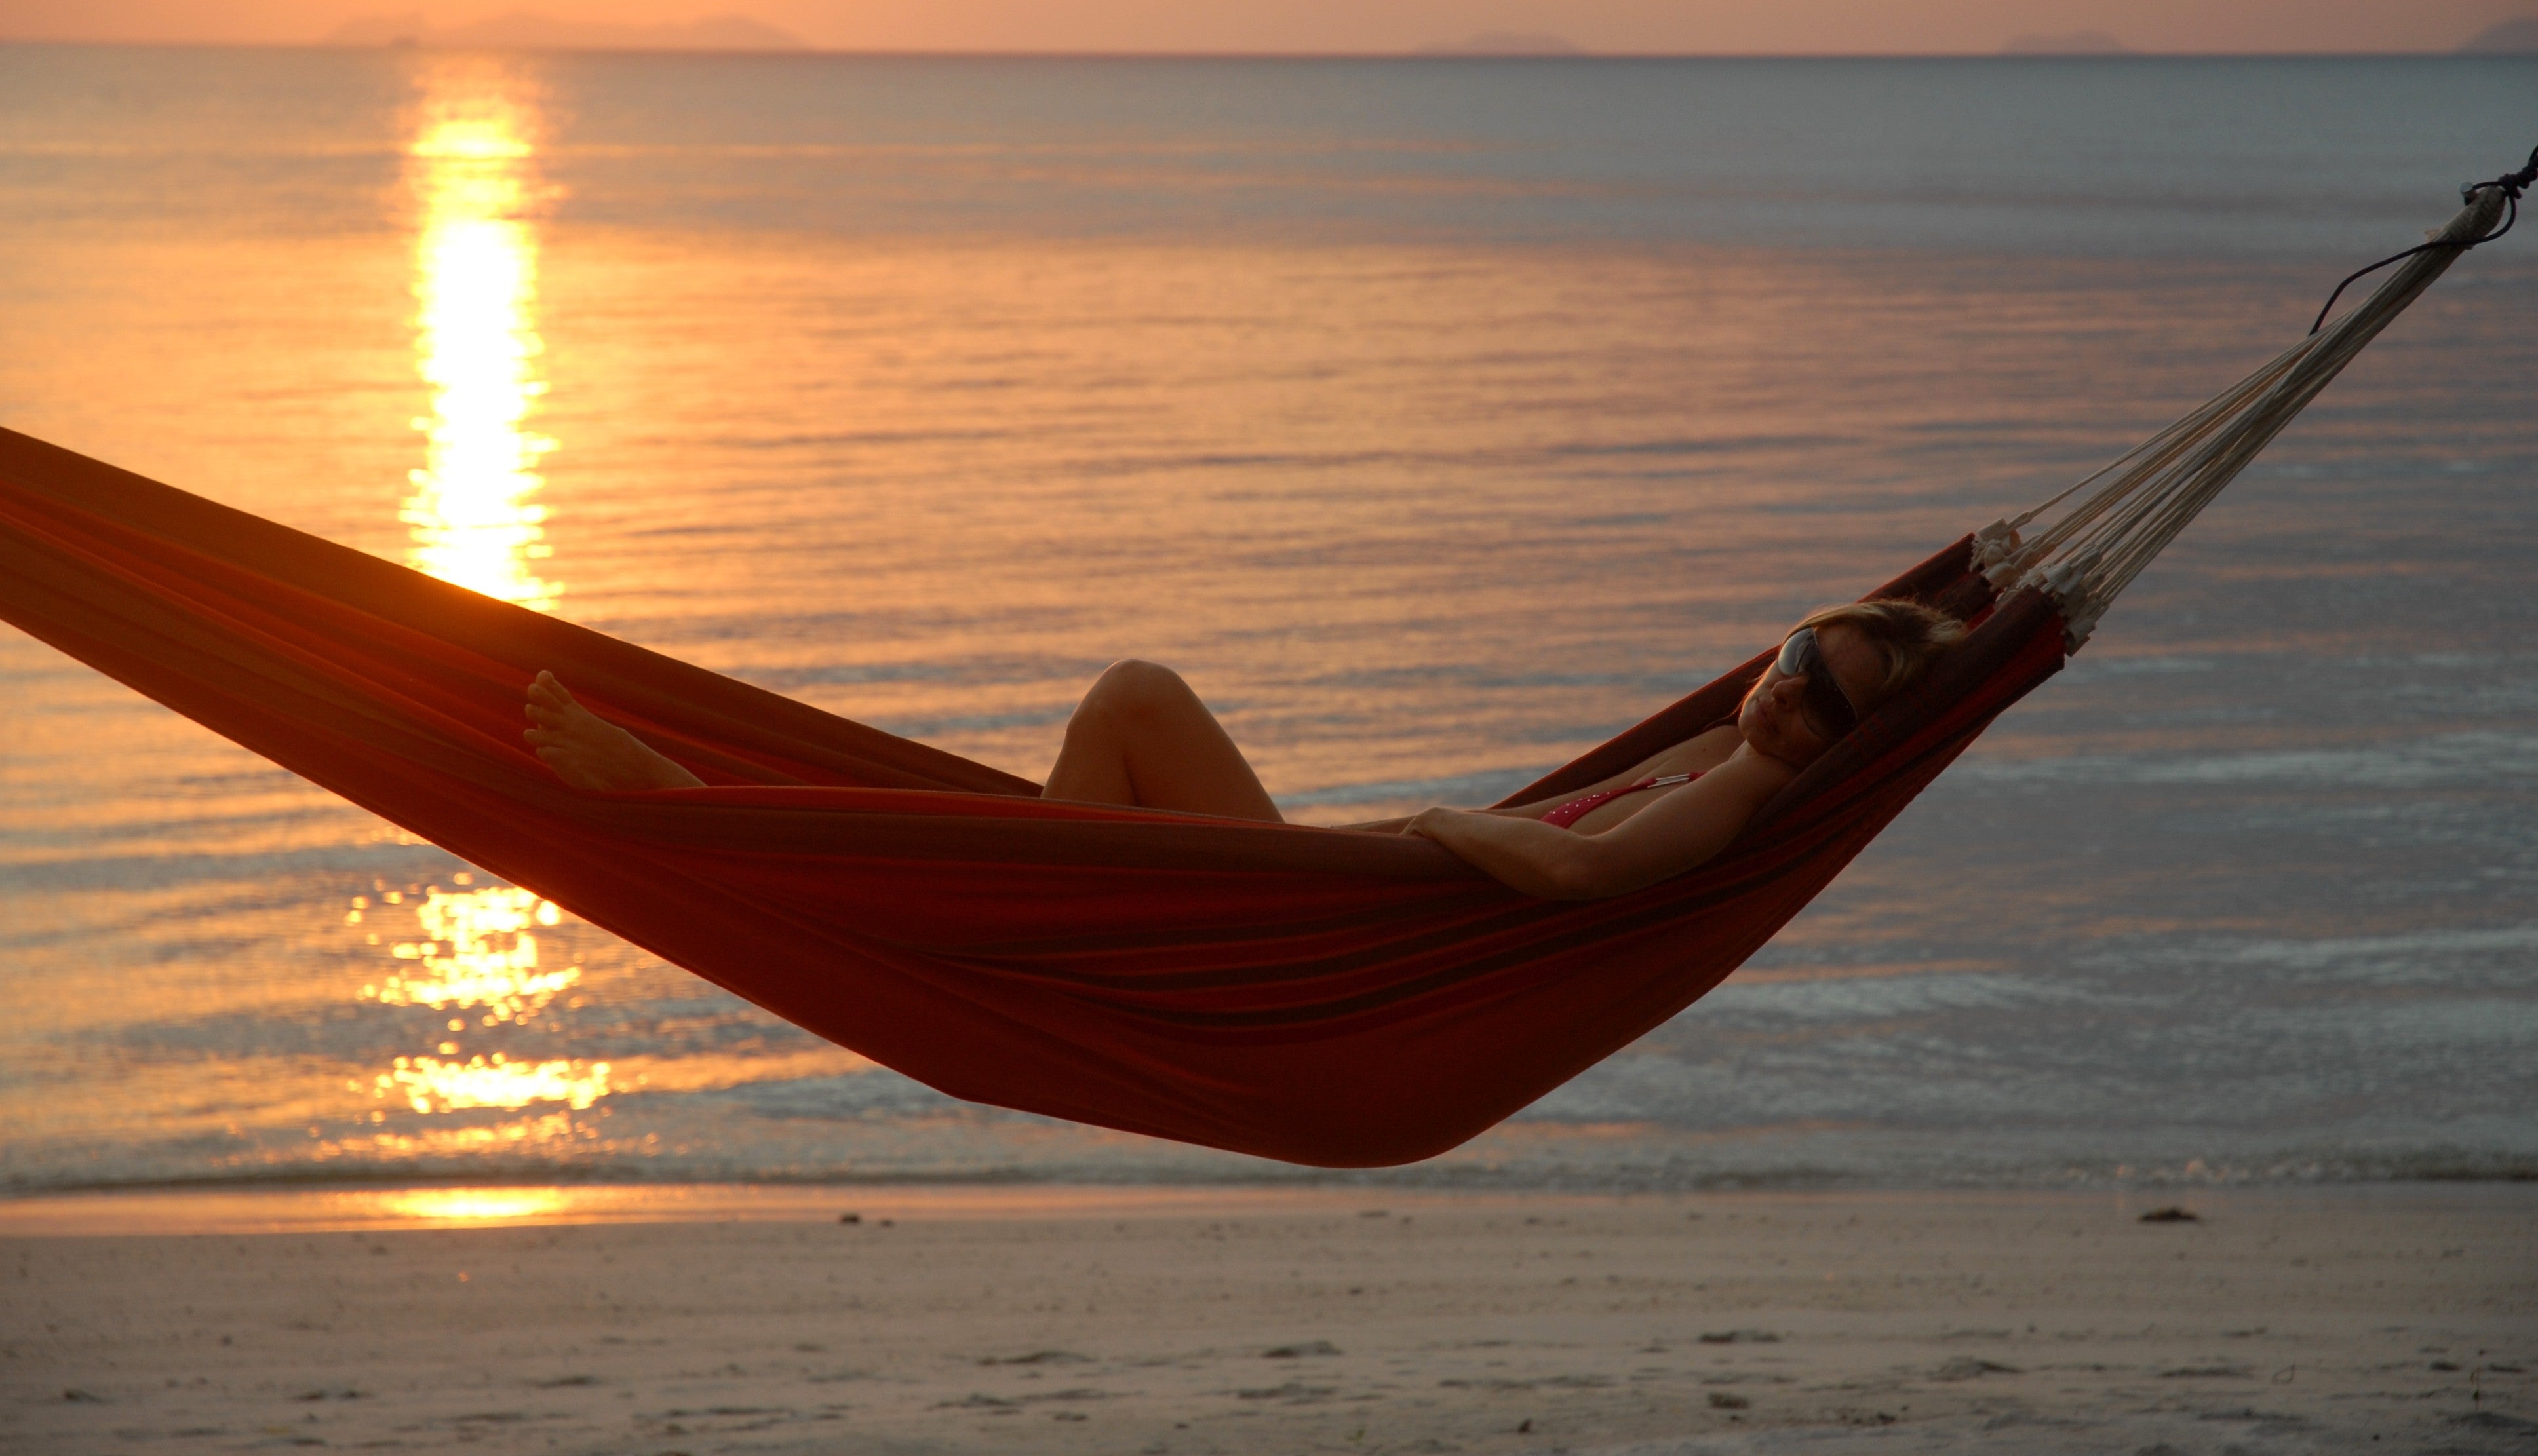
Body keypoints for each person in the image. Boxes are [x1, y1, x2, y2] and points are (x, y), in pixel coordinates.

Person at [524, 599, 1963, 902]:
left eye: (1822, 706)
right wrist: (1978, 608)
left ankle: (690, 802)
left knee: (1132, 705)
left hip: (1366, 923)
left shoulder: (1735, 806)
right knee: (1112, 728)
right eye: (1793, 660)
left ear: (1855, 745)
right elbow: (1919, 645)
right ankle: (720, 805)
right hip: (1356, 897)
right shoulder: (1731, 739)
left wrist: (1440, 823)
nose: (1783, 704)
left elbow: (1585, 884)